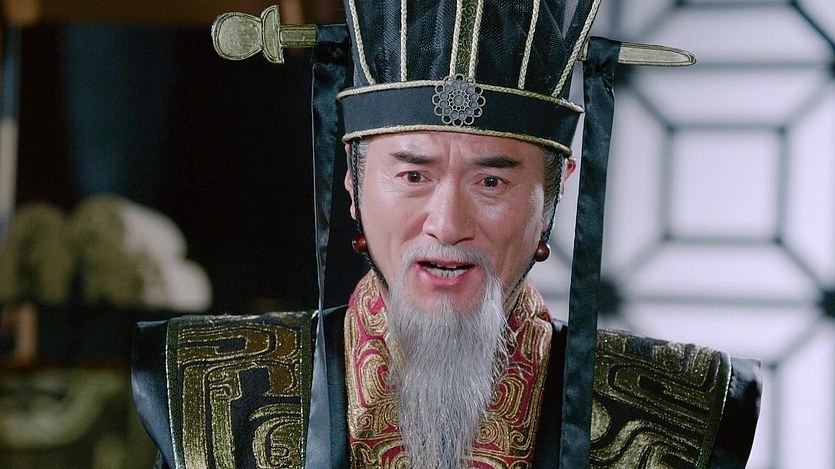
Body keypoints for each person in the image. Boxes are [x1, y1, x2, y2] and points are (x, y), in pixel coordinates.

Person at [132, 1, 762, 468]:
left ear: (555, 191)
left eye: (491, 182)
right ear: (352, 180)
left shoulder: (674, 416)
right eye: (413, 175)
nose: (447, 224)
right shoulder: (217, 398)